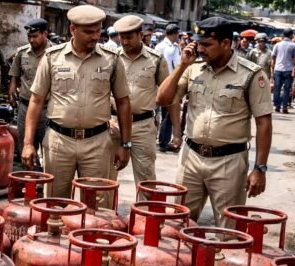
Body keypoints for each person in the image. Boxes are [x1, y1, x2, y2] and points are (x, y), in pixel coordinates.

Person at [157, 17, 272, 226]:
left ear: (226, 43)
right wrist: (181, 66)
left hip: (229, 161)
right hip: (191, 158)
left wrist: (260, 168)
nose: (200, 49)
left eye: (207, 44)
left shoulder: (251, 74)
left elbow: (263, 122)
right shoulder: (193, 68)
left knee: (229, 229)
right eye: (198, 43)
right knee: (178, 225)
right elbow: (163, 99)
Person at [22, 5, 132, 198]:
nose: (95, 36)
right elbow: (36, 101)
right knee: (55, 202)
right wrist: (28, 143)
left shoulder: (111, 59)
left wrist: (125, 144)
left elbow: (123, 102)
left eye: (98, 31)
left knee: (94, 204)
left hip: (97, 143)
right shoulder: (52, 58)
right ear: (72, 29)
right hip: (59, 142)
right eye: (89, 32)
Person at [109, 15, 180, 186]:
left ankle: (145, 205)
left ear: (140, 35)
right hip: (113, 124)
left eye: (128, 37)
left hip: (142, 126)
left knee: (146, 181)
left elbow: (170, 96)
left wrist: (177, 131)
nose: (124, 42)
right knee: (105, 181)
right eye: (121, 37)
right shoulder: (111, 58)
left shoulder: (155, 60)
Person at [9, 18, 52, 167]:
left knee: (48, 149)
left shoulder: (55, 53)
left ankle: (45, 177)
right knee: (25, 147)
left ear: (45, 34)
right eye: (29, 37)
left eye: (35, 36)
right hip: (25, 107)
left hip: (48, 109)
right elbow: (15, 75)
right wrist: (12, 89)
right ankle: (28, 177)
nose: (31, 40)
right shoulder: (22, 53)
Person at [155, 23, 181, 152]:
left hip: (175, 83)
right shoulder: (161, 47)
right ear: (175, 34)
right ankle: (163, 142)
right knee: (165, 114)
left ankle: (166, 140)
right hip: (165, 83)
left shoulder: (175, 46)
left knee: (171, 114)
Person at [272, 28, 295, 114]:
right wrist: (293, 69)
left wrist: (272, 70)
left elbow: (273, 58)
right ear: (291, 35)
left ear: (283, 35)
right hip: (288, 69)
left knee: (277, 88)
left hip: (278, 69)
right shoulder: (294, 46)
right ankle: (284, 107)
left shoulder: (277, 45)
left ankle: (277, 106)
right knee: (287, 89)